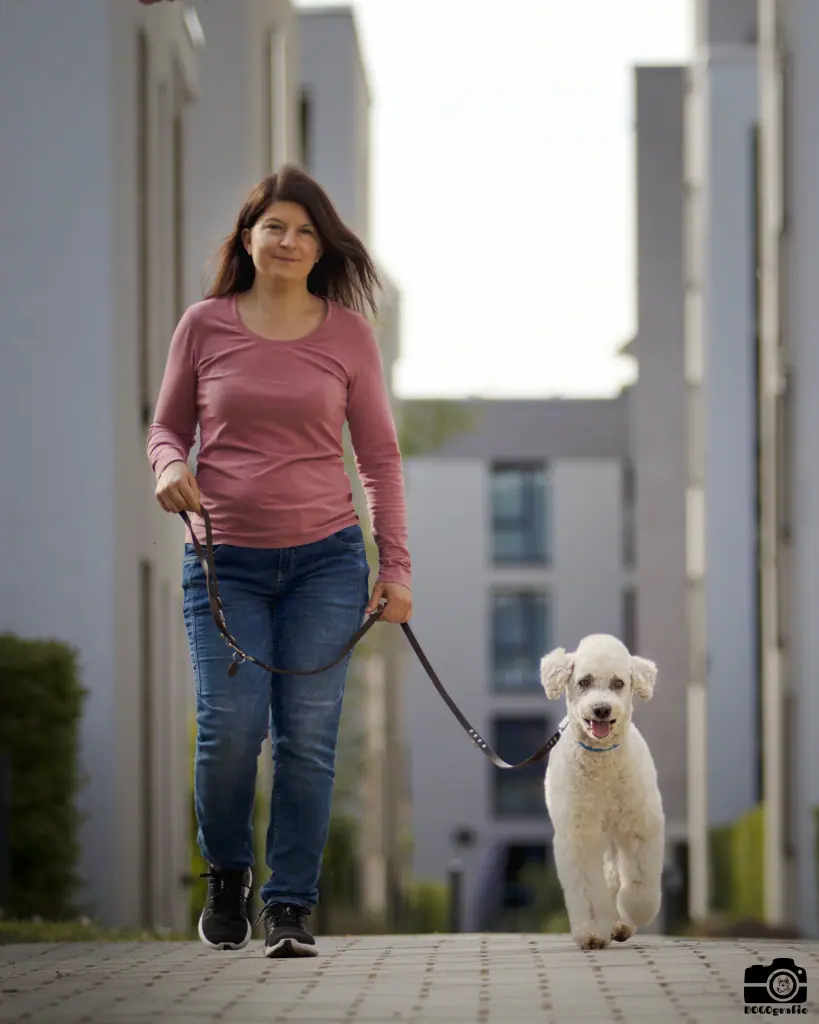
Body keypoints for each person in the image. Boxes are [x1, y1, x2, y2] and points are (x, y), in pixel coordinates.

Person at [146, 165, 412, 958]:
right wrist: (167, 468)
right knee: (229, 732)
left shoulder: (349, 336)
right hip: (225, 564)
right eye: (274, 227)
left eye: (303, 229)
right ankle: (229, 875)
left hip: (326, 563)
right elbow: (166, 428)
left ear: (321, 245)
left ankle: (291, 906)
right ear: (249, 239)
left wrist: (393, 569)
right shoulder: (204, 325)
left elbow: (380, 461)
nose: (288, 240)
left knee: (308, 737)